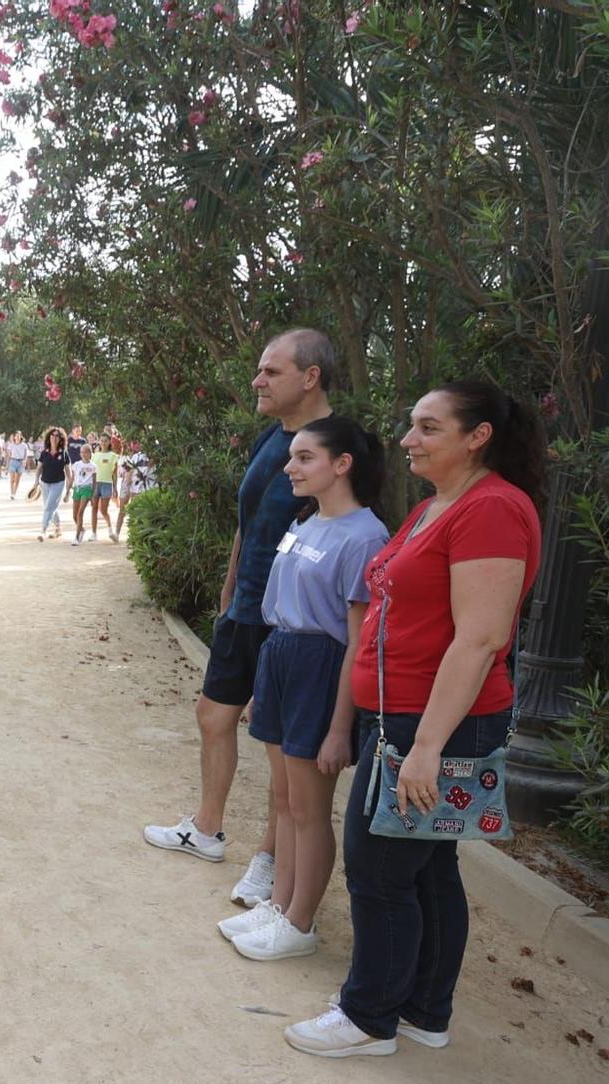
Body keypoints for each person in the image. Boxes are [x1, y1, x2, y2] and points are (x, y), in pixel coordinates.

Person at [285, 381, 544, 1057]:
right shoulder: (442, 506)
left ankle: (369, 1015)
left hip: (433, 723)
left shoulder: (492, 510)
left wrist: (426, 745)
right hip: (401, 715)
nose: (408, 439)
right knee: (426, 869)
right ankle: (424, 1010)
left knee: (377, 868)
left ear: (477, 436)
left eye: (429, 428)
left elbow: (481, 637)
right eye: (411, 426)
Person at [143, 329, 336, 901]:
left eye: (271, 371)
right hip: (245, 608)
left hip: (289, 621)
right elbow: (247, 522)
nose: (257, 380)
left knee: (280, 752)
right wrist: (229, 591)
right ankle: (206, 828)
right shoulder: (269, 441)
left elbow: (334, 534)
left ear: (310, 377)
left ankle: (270, 860)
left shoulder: (332, 446)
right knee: (213, 715)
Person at [217, 417, 389, 962]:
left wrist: (341, 726)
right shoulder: (307, 519)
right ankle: (280, 903)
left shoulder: (366, 536)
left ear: (343, 465)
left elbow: (359, 641)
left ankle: (300, 921)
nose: (290, 467)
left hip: (322, 665)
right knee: (286, 800)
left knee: (310, 807)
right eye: (292, 457)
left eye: (305, 457)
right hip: (282, 655)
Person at [35, 428, 69, 540]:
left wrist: (68, 490)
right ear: (49, 437)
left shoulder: (63, 453)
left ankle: (43, 530)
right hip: (45, 483)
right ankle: (58, 528)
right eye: (52, 435)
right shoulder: (44, 453)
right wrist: (36, 481)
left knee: (48, 507)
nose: (54, 438)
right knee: (50, 507)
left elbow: (69, 473)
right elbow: (39, 468)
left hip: (58, 483)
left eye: (57, 436)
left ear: (60, 439)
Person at [92, 429, 122, 542]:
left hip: (107, 484)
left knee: (103, 510)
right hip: (96, 484)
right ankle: (94, 533)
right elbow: (92, 471)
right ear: (99, 442)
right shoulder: (95, 455)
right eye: (102, 441)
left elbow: (115, 473)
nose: (103, 443)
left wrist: (115, 488)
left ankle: (110, 529)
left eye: (106, 441)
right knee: (94, 509)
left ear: (109, 442)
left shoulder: (113, 456)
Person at [69, 443, 98, 543]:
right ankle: (81, 529)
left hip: (87, 489)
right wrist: (67, 491)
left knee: (80, 513)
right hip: (77, 489)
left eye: (86, 452)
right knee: (74, 515)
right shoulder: (76, 465)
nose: (83, 454)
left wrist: (93, 495)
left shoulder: (93, 466)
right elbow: (72, 478)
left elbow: (94, 482)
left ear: (90, 453)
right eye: (82, 452)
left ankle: (76, 537)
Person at [8, 430, 30, 498]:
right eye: (16, 436)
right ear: (14, 437)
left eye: (19, 436)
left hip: (21, 462)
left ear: (21, 437)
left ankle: (14, 493)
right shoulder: (11, 445)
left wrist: (25, 461)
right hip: (13, 461)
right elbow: (9, 455)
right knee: (12, 479)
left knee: (17, 479)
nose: (17, 437)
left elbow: (26, 454)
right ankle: (11, 493)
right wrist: (7, 465)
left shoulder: (24, 445)